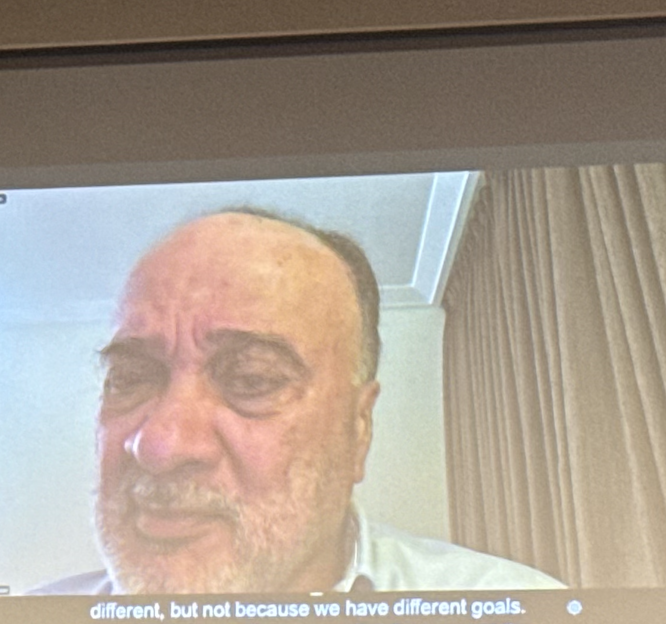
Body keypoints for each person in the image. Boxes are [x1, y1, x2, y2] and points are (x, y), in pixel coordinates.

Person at [31, 208, 563, 596]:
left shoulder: (522, 619)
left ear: (358, 430)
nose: (160, 447)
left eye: (251, 379)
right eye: (130, 377)